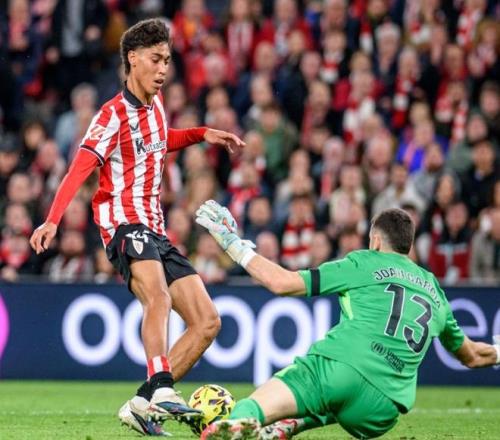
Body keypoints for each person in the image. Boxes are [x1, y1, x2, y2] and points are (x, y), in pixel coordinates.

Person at [29, 19, 245, 437]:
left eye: (167, 60)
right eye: (156, 59)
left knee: (207, 322)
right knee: (157, 296)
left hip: (156, 229)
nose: (164, 69)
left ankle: (142, 403)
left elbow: (163, 139)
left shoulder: (156, 105)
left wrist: (202, 134)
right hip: (123, 224)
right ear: (133, 58)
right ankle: (162, 387)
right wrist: (53, 219)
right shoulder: (111, 115)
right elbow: (79, 169)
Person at [195, 200, 500, 440]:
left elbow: (282, 283)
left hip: (341, 371)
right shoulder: (435, 290)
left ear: (376, 241)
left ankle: (236, 424)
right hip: (383, 410)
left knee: (254, 406)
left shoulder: (363, 262)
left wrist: (231, 242)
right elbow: (472, 356)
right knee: (333, 402)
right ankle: (292, 424)